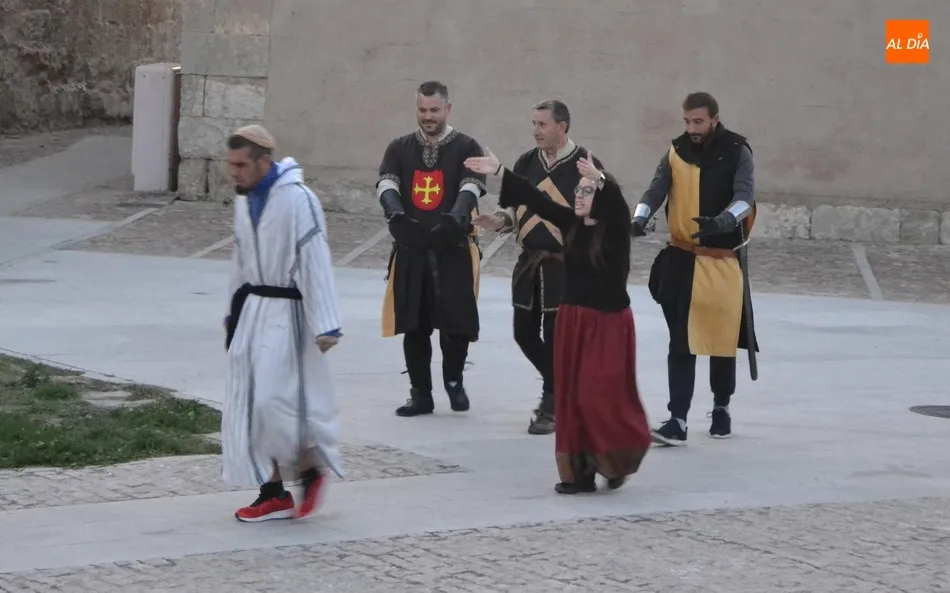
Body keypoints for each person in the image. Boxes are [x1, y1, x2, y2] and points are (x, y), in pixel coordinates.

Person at [465, 148, 651, 495]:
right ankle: (579, 474)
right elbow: (534, 198)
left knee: (602, 396)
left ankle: (615, 460)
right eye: (577, 190)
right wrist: (500, 171)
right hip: (574, 322)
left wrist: (600, 179)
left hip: (609, 325)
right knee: (573, 398)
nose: (579, 196)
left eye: (586, 191)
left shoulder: (614, 229)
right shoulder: (571, 224)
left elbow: (616, 203)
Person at [221, 125, 345, 522]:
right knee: (248, 404)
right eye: (231, 165)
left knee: (275, 400)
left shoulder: (298, 200)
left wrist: (327, 322)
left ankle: (309, 469)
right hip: (253, 311)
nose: (235, 173)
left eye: (242, 165)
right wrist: (233, 315)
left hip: (288, 314)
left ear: (263, 161)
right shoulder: (243, 203)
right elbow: (241, 260)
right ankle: (272, 491)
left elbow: (314, 256)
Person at [632, 91, 759, 446]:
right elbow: (656, 189)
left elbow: (745, 198)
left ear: (714, 119)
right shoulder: (676, 152)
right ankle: (678, 419)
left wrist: (722, 221)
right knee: (680, 343)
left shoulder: (737, 151)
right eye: (687, 121)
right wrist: (640, 218)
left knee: (720, 341)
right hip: (681, 260)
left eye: (698, 121)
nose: (692, 128)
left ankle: (721, 407)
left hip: (720, 262)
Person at [473, 100, 604, 436]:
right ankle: (564, 390)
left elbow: (595, 217)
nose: (535, 131)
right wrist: (499, 220)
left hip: (566, 266)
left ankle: (552, 403)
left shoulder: (585, 164)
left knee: (557, 336)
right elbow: (516, 211)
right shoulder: (526, 163)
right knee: (524, 333)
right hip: (530, 262)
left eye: (542, 125)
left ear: (562, 127)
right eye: (533, 123)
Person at [376, 80, 487, 417]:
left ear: (447, 109)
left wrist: (458, 213)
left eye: (434, 110)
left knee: (455, 325)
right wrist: (394, 208)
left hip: (452, 248)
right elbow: (386, 182)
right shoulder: (399, 147)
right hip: (412, 249)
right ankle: (420, 394)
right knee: (415, 324)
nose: (428, 116)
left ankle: (454, 383)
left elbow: (473, 185)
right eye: (422, 110)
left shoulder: (467, 146)